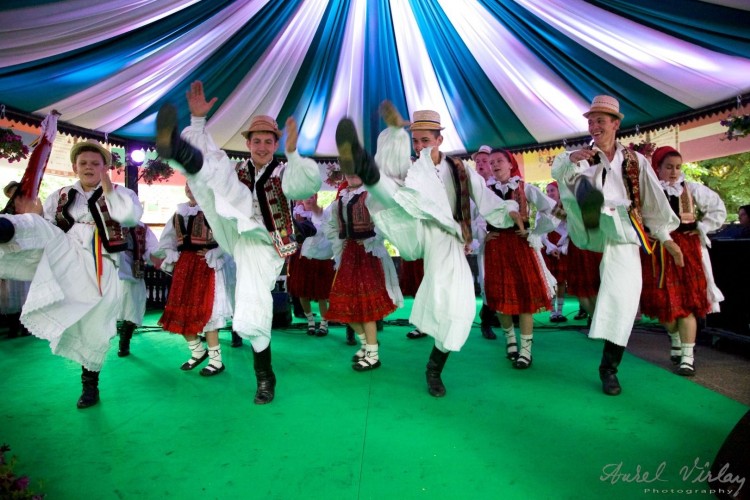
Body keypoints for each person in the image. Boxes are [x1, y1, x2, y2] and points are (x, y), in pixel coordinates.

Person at [334, 104, 520, 397]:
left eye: (425, 140)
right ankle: (366, 167)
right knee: (390, 188)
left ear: (439, 140)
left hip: (449, 239)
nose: (419, 146)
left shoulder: (459, 169)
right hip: (417, 229)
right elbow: (390, 182)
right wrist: (393, 133)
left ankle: (434, 367)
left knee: (458, 306)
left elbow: (485, 197)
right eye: (415, 140)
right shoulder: (412, 169)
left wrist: (509, 210)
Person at [154, 81, 321, 404]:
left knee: (252, 298)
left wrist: (294, 154)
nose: (262, 147)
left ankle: (264, 376)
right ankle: (185, 152)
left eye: (268, 141)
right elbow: (217, 178)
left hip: (267, 245)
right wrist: (198, 121)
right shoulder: (239, 170)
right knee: (217, 179)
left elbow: (303, 185)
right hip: (236, 232)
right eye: (256, 141)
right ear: (248, 143)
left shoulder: (283, 172)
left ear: (275, 144)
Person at [551, 95, 681, 396]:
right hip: (591, 230)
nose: (594, 126)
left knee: (623, 299)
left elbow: (653, 202)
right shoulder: (579, 157)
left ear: (615, 124)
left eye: (600, 120)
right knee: (592, 294)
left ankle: (609, 368)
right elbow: (559, 174)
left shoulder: (636, 161)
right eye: (590, 121)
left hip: (624, 234)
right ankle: (598, 329)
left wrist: (666, 237)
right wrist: (571, 160)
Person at [0, 140, 142, 408]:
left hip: (102, 263)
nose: (89, 167)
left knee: (95, 325)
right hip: (67, 253)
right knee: (37, 225)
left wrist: (109, 191)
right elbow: (48, 227)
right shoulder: (61, 194)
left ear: (105, 167)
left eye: (95, 163)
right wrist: (36, 215)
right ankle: (5, 228)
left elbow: (129, 218)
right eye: (83, 163)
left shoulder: (122, 193)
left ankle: (90, 385)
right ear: (75, 167)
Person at [640, 146, 726, 376]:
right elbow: (636, 215)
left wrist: (702, 227)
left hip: (688, 252)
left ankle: (687, 357)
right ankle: (675, 337)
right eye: (669, 167)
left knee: (686, 304)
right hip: (659, 251)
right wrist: (644, 231)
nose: (674, 172)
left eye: (678, 167)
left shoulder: (691, 188)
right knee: (664, 305)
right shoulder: (649, 191)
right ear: (657, 168)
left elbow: (717, 208)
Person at [484, 148, 556, 368]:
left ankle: (526, 351)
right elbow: (473, 216)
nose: (495, 165)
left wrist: (535, 232)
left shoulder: (526, 188)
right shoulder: (486, 192)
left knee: (525, 298)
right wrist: (482, 235)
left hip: (520, 246)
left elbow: (551, 209)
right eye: (491, 162)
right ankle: (511, 342)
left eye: (499, 160)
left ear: (510, 164)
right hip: (496, 248)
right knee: (500, 299)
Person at [323, 173, 402, 371]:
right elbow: (331, 226)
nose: (352, 174)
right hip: (349, 254)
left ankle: (373, 356)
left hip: (368, 255)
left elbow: (386, 221)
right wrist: (340, 245)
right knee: (343, 305)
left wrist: (371, 240)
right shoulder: (340, 199)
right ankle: (367, 344)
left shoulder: (372, 195)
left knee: (366, 307)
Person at [153, 183, 234, 376]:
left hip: (206, 265)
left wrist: (216, 252)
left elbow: (229, 238)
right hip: (184, 268)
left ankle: (216, 361)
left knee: (208, 312)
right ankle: (198, 351)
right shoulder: (178, 213)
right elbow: (167, 240)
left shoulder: (214, 211)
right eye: (187, 184)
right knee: (180, 311)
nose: (190, 188)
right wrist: (170, 252)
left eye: (195, 184)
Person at [287, 193, 335, 337]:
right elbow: (287, 234)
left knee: (322, 293)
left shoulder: (324, 214)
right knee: (302, 290)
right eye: (306, 196)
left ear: (316, 198)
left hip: (321, 258)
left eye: (312, 196)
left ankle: (324, 324)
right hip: (302, 258)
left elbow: (331, 233)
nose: (309, 199)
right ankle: (310, 322)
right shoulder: (295, 213)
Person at [116, 222, 159, 357]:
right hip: (113, 269)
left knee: (133, 307)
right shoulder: (112, 222)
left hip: (134, 271)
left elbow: (153, 248)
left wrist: (157, 256)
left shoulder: (142, 228)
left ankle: (124, 343)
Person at [472, 144, 501, 340]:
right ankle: (486, 321)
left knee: (502, 280)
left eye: (485, 161)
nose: (481, 165)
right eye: (478, 162)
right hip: (486, 242)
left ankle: (495, 315)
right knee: (487, 281)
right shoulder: (472, 188)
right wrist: (481, 237)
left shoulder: (501, 185)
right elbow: (470, 217)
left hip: (504, 240)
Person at [541, 181, 570, 323]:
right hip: (548, 247)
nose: (549, 193)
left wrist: (561, 247)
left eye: (552, 190)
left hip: (561, 247)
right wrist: (550, 247)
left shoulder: (567, 208)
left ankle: (560, 311)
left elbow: (570, 228)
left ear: (559, 192)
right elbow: (540, 229)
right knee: (550, 281)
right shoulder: (543, 208)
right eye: (547, 191)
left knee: (561, 281)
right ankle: (552, 312)